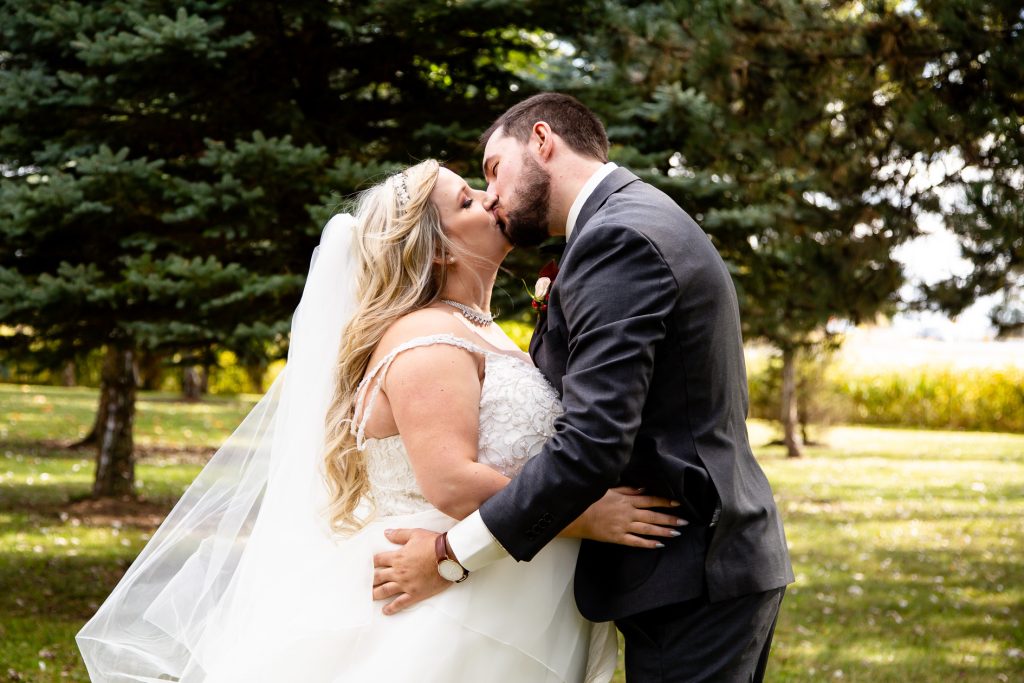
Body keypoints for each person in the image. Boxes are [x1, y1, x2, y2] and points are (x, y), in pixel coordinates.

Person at [76, 158, 684, 682]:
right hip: (449, 606)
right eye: (467, 200)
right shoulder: (427, 338)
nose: (491, 198)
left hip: (507, 590)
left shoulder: (479, 329)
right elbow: (451, 482)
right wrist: (588, 517)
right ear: (437, 246)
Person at [373, 93, 795, 682]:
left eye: (494, 169)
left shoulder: (616, 237)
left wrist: (449, 555)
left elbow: (592, 443)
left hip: (692, 569)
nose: (491, 194)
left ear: (542, 141)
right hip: (693, 563)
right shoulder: (625, 221)